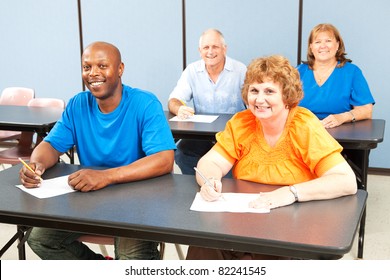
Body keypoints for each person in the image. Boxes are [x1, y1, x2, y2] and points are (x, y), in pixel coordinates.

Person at [186, 55, 357, 260]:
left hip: (292, 226)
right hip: (246, 221)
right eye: (254, 90)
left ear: (286, 96)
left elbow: (346, 181)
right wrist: (211, 180)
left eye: (269, 91)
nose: (259, 99)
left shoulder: (303, 125)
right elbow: (210, 161)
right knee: (203, 246)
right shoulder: (242, 122)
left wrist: (290, 192)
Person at [19, 41, 176, 260]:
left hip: (138, 200)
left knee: (129, 257)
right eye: (87, 67)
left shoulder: (145, 103)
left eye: (102, 66)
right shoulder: (77, 105)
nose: (93, 73)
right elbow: (51, 145)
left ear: (120, 69)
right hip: (90, 197)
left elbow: (164, 159)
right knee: (40, 239)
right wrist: (37, 164)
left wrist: (106, 177)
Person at [168, 28, 246, 175]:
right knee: (181, 153)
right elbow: (173, 100)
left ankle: (223, 189)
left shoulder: (240, 70)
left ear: (224, 49)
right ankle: (199, 187)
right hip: (202, 136)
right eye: (206, 47)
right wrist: (179, 109)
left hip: (233, 134)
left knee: (231, 165)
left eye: (215, 47)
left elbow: (254, 101)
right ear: (200, 50)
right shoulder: (192, 70)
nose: (210, 51)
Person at [298, 23, 375, 129]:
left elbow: (367, 110)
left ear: (337, 45)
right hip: (303, 132)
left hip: (341, 134)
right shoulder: (298, 72)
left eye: (328, 41)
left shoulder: (351, 72)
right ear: (311, 47)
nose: (323, 46)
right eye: (317, 42)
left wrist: (342, 117)